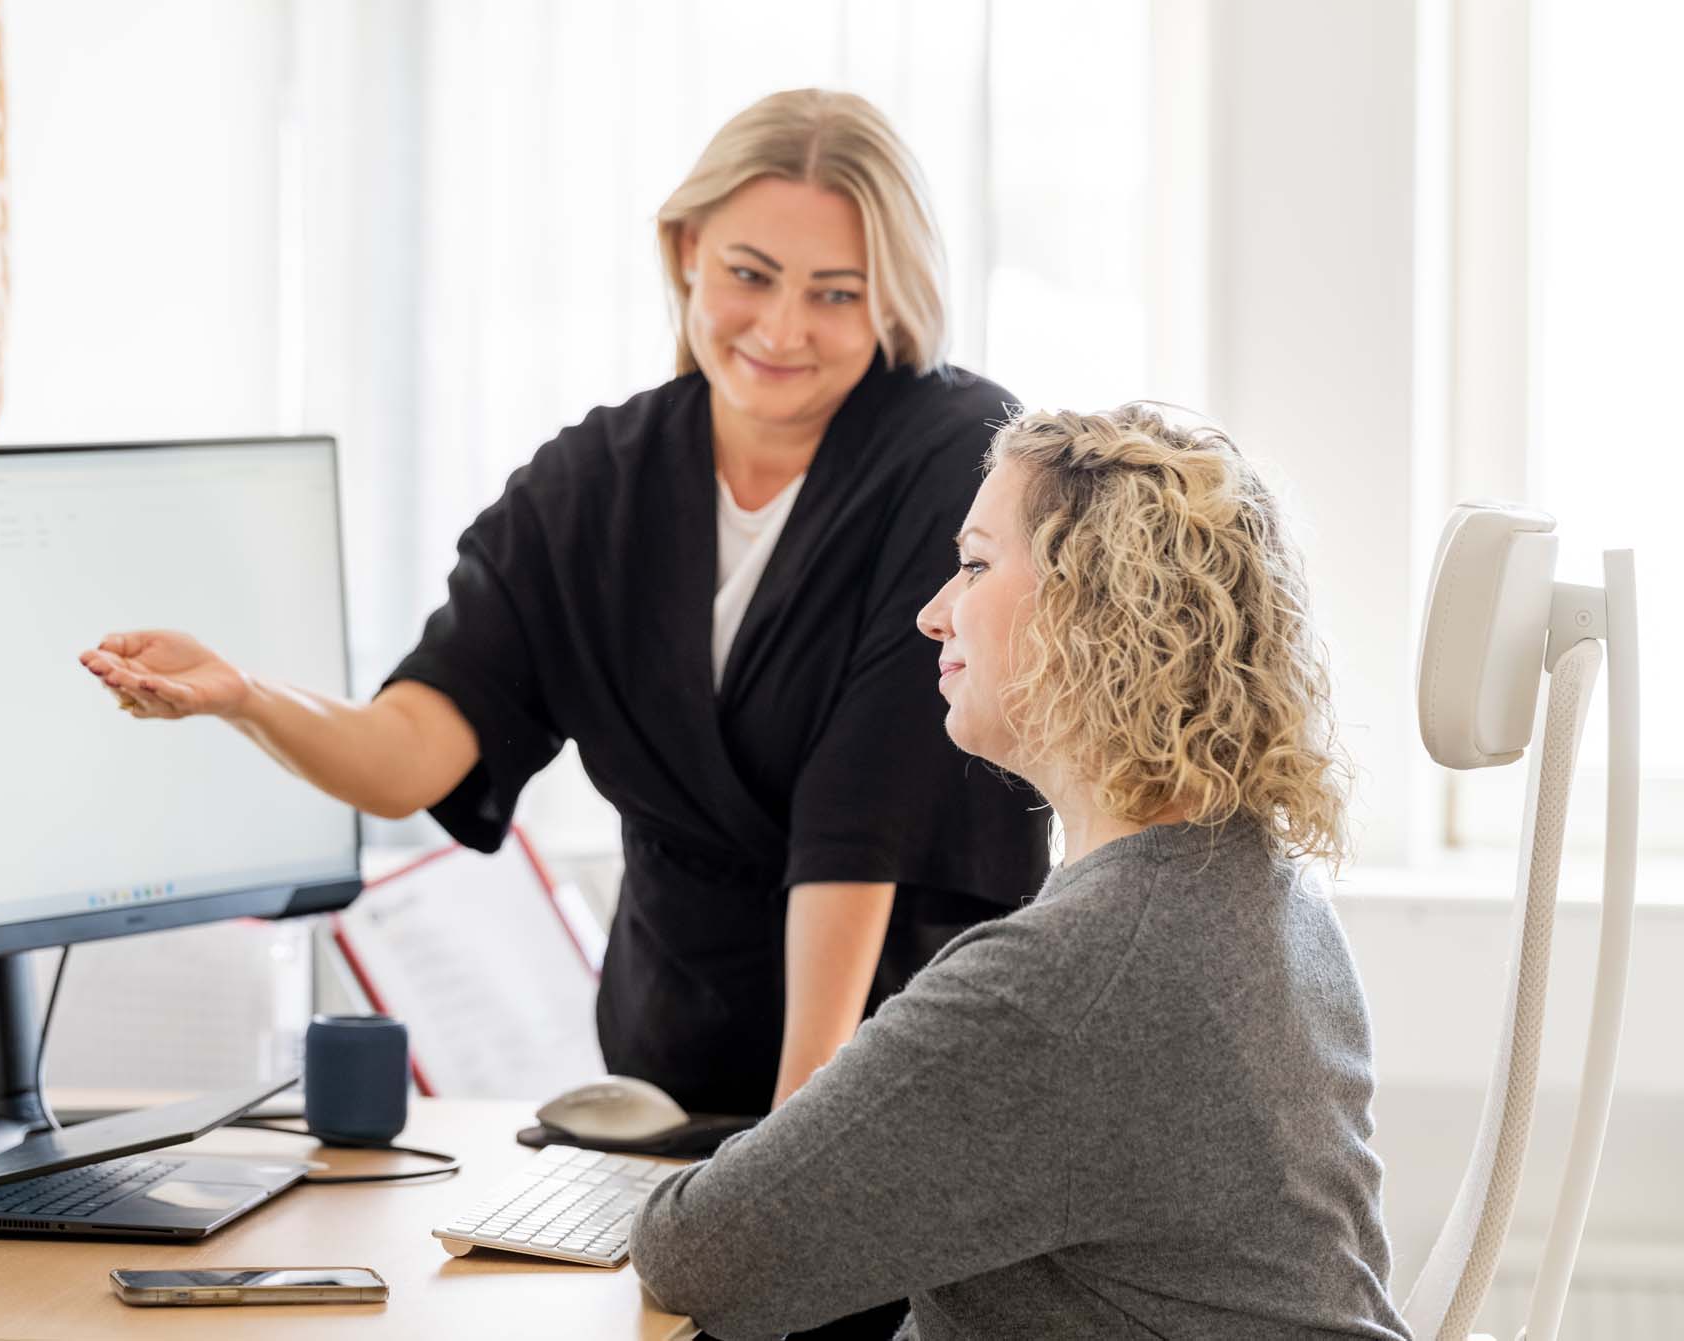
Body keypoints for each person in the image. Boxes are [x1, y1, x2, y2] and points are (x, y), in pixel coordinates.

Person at [79, 93, 1048, 1121]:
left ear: (892, 298)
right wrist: (244, 697)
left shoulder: (959, 457)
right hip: (671, 1065)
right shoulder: (590, 487)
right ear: (685, 251)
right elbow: (409, 755)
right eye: (749, 275)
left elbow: (862, 830)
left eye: (836, 294)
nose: (781, 328)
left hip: (898, 1079)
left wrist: (795, 1155)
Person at [630, 404, 1411, 1340]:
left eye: (973, 565)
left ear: (1096, 600)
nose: (932, 613)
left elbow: (703, 1256)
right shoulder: (1260, 885)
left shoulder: (1073, 976)